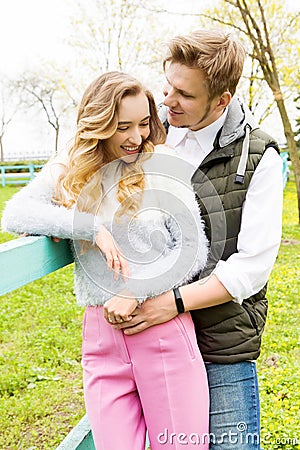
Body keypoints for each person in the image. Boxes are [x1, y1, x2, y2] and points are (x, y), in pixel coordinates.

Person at [2, 71, 211, 450]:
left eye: (144, 123)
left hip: (161, 328)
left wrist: (137, 289)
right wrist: (88, 226)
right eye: (122, 127)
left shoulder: (161, 161)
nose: (137, 137)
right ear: (98, 126)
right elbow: (16, 213)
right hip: (101, 337)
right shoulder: (73, 169)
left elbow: (193, 247)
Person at [112, 30, 283, 449]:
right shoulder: (145, 135)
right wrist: (60, 215)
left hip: (219, 340)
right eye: (167, 85)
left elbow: (252, 265)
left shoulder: (258, 156)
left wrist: (172, 303)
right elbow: (87, 171)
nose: (167, 100)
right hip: (151, 341)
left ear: (221, 101)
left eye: (184, 94)